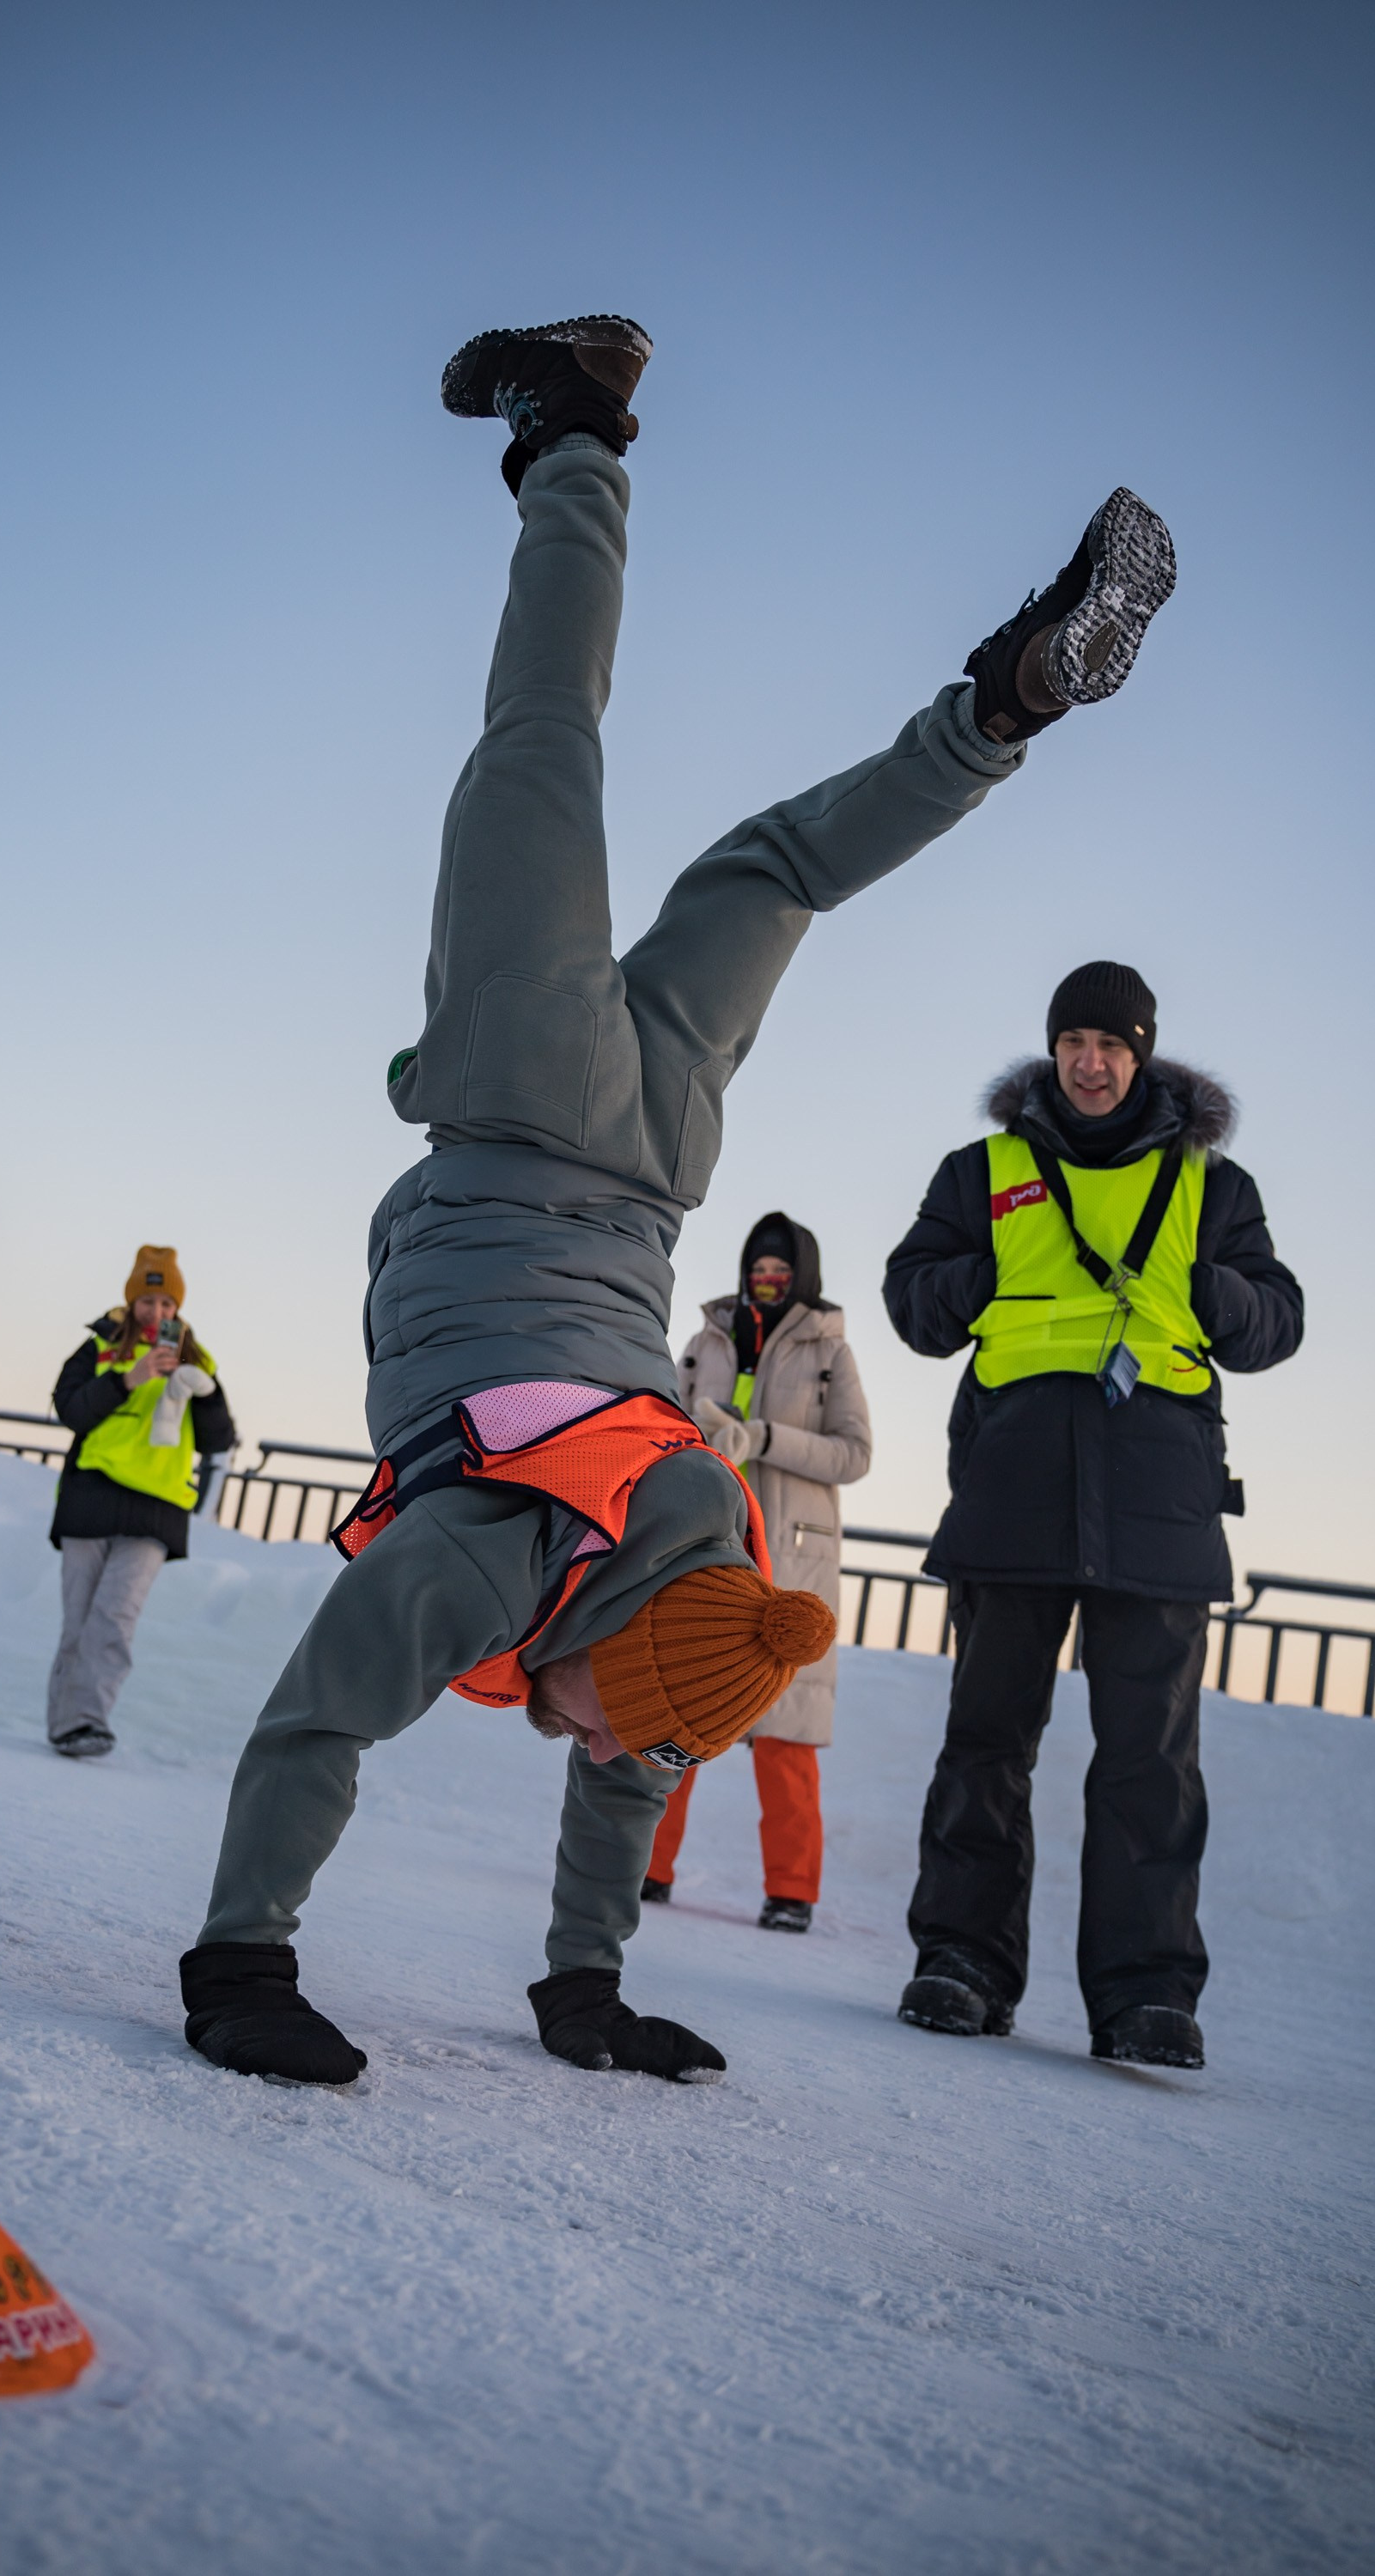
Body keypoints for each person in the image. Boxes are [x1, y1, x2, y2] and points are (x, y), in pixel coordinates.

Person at [179, 312, 1177, 2092]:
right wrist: (241, 1960)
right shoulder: (508, 1550)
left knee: (780, 869)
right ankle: (579, 425)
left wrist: (587, 1985)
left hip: (658, 1156)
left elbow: (637, 1744)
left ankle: (1000, 707)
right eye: (597, 1716)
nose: (589, 1740)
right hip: (513, 1097)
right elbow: (318, 1713)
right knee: (542, 728)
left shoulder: (696, 1558)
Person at [883, 965, 1303, 2068]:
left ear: (1144, 1050)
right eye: (1072, 1037)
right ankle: (962, 1962)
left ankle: (1146, 1994)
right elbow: (910, 1304)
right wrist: (976, 1276)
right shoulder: (981, 1170)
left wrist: (1216, 1295)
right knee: (986, 1741)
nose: (1091, 1059)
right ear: (1052, 1049)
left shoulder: (1215, 1183)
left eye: (1111, 1041)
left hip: (1159, 1497)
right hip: (1014, 1483)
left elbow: (1277, 1323)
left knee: (1149, 1762)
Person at [655, 1213, 872, 1929]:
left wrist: (767, 1437)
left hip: (793, 1553)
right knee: (678, 1705)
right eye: (758, 1266)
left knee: (787, 1728)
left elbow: (853, 1453)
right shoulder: (704, 1339)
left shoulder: (830, 1353)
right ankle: (644, 1865)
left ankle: (791, 1892)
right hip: (708, 1540)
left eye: (781, 1269)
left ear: (802, 1274)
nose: (767, 1279)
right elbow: (662, 1422)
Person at [45, 1245, 235, 1759]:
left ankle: (85, 1721)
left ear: (178, 1309)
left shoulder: (198, 1356)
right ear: (131, 1302)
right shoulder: (100, 1347)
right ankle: (67, 1724)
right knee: (81, 1620)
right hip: (91, 1497)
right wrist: (130, 1379)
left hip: (157, 1508)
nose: (157, 1314)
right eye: (147, 1301)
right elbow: (69, 1409)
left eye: (167, 1303)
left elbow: (219, 1440)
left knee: (116, 1618)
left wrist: (208, 1391)